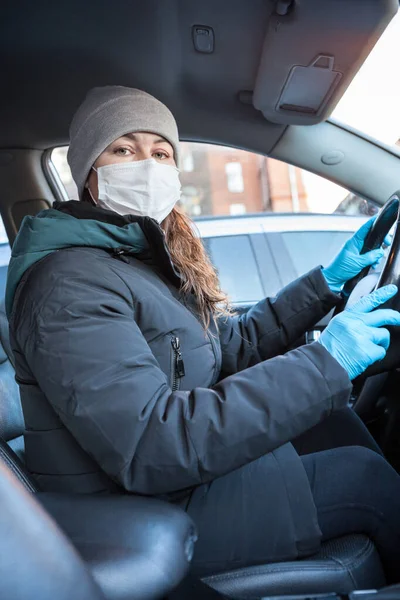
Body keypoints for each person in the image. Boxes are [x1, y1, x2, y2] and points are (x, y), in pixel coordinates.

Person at [6, 86, 400, 582]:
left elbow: (225, 347)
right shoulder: (66, 284)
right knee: (366, 479)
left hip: (178, 478)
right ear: (89, 172)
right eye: (124, 150)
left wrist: (327, 285)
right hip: (136, 510)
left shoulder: (136, 260)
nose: (145, 165)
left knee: (335, 421)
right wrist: (328, 361)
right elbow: (151, 444)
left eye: (161, 152)